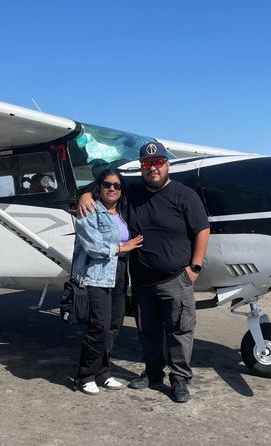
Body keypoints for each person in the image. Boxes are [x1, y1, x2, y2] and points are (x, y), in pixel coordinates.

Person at [78, 142, 210, 403]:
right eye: (147, 164)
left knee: (180, 331)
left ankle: (180, 379)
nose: (153, 168)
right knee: (147, 331)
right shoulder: (133, 193)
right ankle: (153, 372)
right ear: (141, 168)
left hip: (175, 278)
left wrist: (194, 267)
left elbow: (202, 230)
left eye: (158, 162)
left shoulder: (184, 195)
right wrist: (85, 195)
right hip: (141, 281)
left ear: (167, 165)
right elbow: (106, 190)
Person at [73, 169, 143, 395]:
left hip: (120, 272)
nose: (112, 188)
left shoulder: (123, 213)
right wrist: (123, 248)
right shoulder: (90, 210)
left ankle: (103, 372)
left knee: (113, 326)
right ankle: (85, 376)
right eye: (107, 184)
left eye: (117, 185)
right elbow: (91, 245)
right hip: (97, 274)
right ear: (99, 187)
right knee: (99, 327)